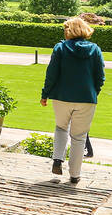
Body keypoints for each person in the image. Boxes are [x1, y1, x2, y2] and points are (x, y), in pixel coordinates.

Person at [40, 16, 105, 186]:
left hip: (61, 97)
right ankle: (75, 175)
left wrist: (45, 94)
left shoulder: (60, 48)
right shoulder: (95, 49)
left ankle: (57, 159)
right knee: (79, 136)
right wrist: (93, 93)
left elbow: (51, 74)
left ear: (69, 30)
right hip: (86, 99)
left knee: (61, 128)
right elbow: (100, 77)